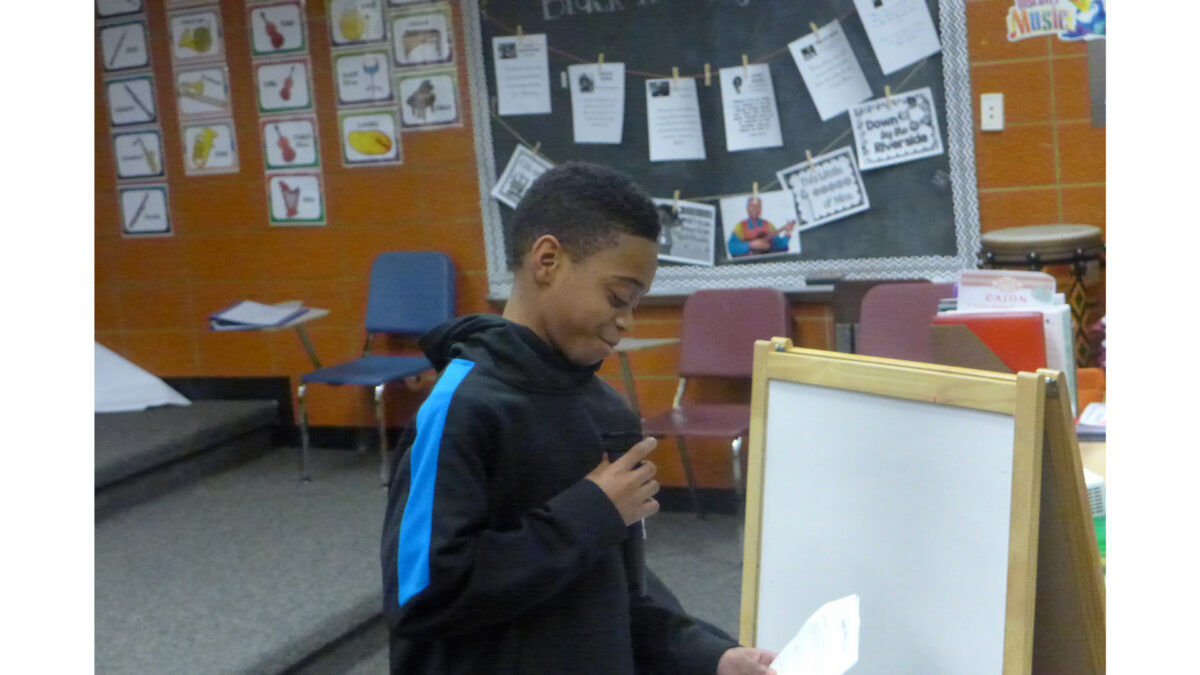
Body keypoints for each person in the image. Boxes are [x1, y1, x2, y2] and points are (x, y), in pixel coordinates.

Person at [381, 161, 778, 674]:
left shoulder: (606, 411)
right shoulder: (459, 407)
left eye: (636, 303)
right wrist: (589, 512)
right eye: (617, 297)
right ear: (548, 260)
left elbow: (618, 589)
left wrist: (709, 655)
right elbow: (422, 595)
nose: (627, 321)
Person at [726, 196, 796, 257]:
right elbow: (731, 247)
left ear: (761, 209)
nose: (755, 209)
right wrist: (751, 244)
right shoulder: (740, 227)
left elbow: (779, 245)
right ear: (747, 208)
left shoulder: (768, 225)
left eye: (758, 206)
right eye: (752, 206)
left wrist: (787, 233)